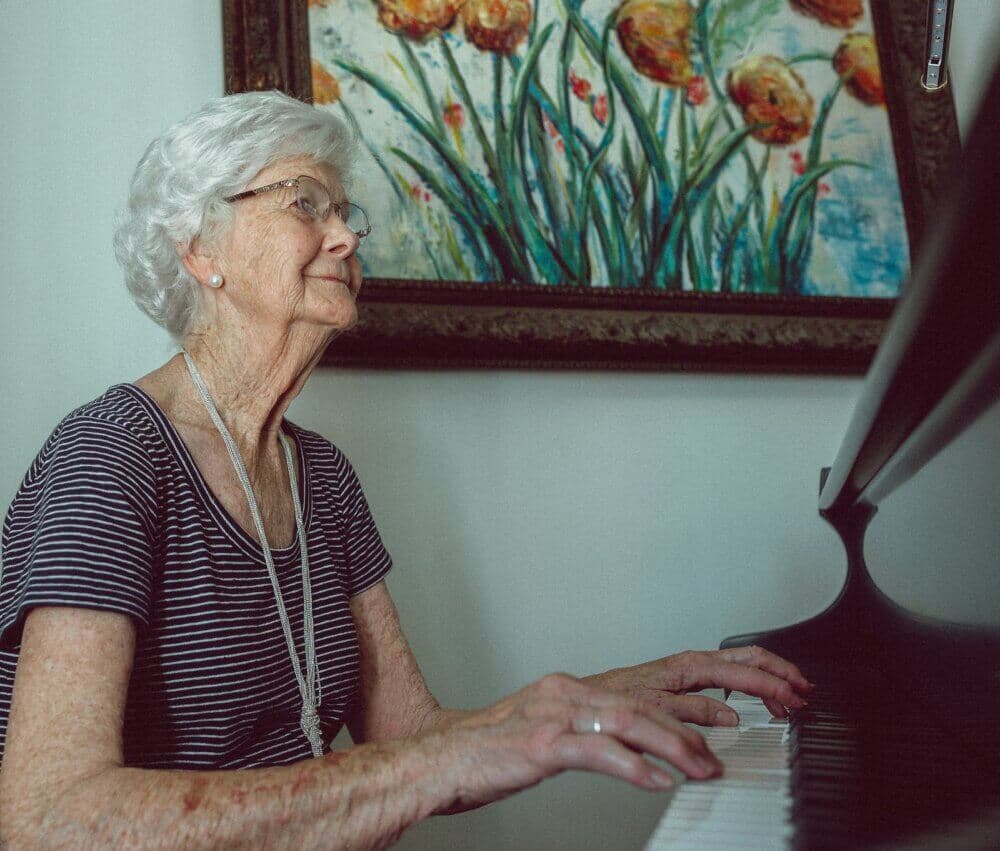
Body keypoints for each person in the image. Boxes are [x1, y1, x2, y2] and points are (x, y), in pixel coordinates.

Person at [0, 91, 811, 848]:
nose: (347, 237)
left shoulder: (321, 472)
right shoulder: (110, 456)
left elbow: (411, 734)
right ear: (198, 248)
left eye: (345, 213)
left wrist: (607, 698)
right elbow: (47, 817)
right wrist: (435, 763)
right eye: (303, 203)